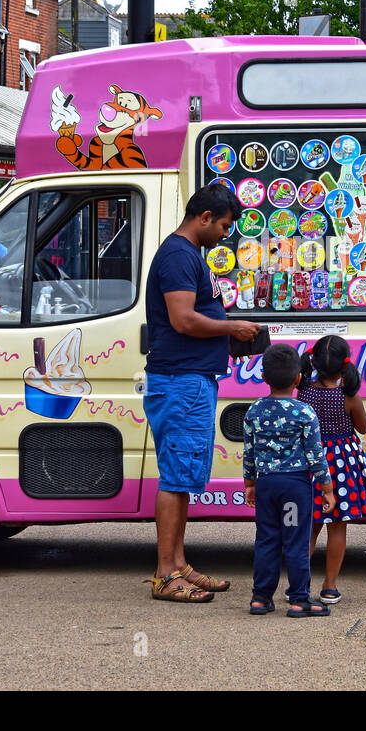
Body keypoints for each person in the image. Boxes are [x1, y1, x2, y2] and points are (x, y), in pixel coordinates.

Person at [143, 183, 260, 603]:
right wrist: (232, 328)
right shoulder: (178, 255)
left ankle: (178, 565)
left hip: (191, 379)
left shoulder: (189, 255)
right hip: (181, 379)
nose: (225, 235)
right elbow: (183, 320)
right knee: (176, 477)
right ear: (205, 217)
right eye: (224, 226)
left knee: (183, 474)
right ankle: (164, 574)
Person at [243, 344, 335, 617]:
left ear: (263, 377)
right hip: (295, 487)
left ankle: (260, 598)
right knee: (295, 540)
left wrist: (249, 483)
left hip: (266, 484)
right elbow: (315, 455)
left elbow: (249, 451)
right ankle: (298, 600)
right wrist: (327, 488)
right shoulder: (304, 413)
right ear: (298, 379)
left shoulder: (254, 411)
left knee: (267, 539)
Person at [298, 334, 366, 604]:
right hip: (342, 466)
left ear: (314, 362)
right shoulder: (348, 396)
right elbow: (363, 428)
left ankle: (299, 586)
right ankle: (329, 587)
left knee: (310, 527)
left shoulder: (304, 393)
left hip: (310, 465)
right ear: (345, 366)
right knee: (337, 528)